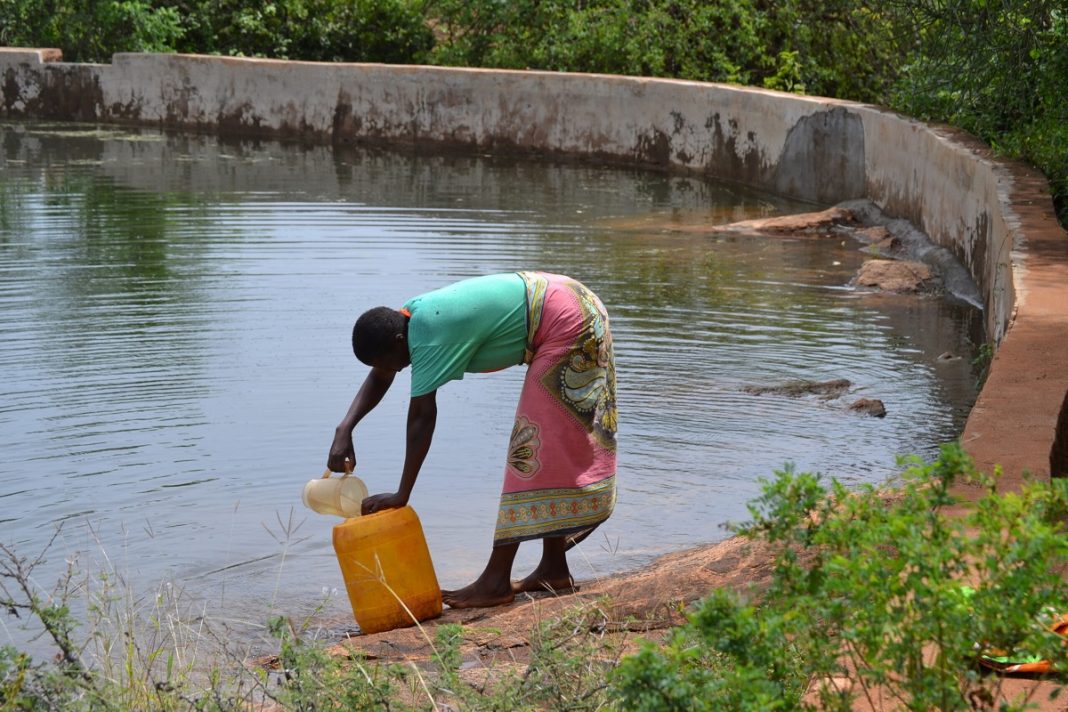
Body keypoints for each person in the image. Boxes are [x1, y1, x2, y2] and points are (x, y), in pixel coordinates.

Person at [327, 271, 617, 609]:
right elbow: (382, 373)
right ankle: (554, 568)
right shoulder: (408, 320)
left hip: (569, 321)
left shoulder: (427, 335)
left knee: (530, 448)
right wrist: (345, 428)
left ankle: (495, 582)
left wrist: (402, 493)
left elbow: (422, 417)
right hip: (569, 301)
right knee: (548, 445)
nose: (398, 370)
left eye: (391, 362)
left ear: (396, 341)